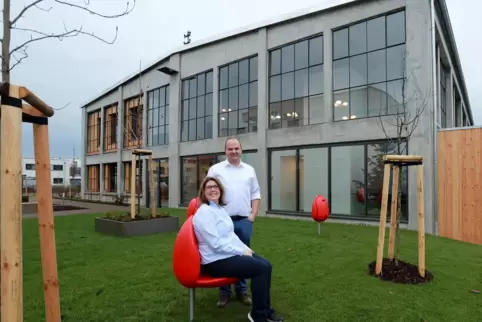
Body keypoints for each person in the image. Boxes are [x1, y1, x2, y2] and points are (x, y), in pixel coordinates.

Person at [193, 176, 284, 322]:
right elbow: (215, 244)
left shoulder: (219, 209)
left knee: (266, 265)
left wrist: (246, 249)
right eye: (208, 187)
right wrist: (241, 252)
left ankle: (266, 311)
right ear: (203, 192)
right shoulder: (204, 212)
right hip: (215, 261)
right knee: (260, 269)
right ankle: (258, 315)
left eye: (215, 187)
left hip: (226, 255)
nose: (212, 189)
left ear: (220, 190)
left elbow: (231, 237)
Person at [207, 137, 260, 308]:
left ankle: (242, 291)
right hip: (222, 221)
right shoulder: (216, 169)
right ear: (225, 151)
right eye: (230, 149)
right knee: (223, 255)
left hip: (244, 220)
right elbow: (208, 192)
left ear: (241, 149)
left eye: (236, 148)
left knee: (243, 256)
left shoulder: (249, 170)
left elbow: (255, 194)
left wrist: (253, 216)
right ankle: (224, 293)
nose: (234, 151)